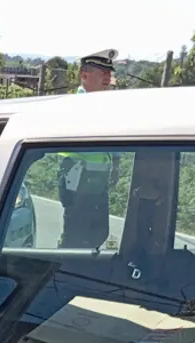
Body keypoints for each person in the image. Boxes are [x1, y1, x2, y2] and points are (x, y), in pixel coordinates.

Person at [58, 50, 121, 249]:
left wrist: (116, 164)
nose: (108, 77)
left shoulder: (106, 106)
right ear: (84, 75)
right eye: (102, 72)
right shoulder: (75, 106)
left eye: (109, 72)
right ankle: (63, 266)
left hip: (98, 180)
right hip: (77, 178)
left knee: (99, 234)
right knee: (74, 237)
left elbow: (115, 137)